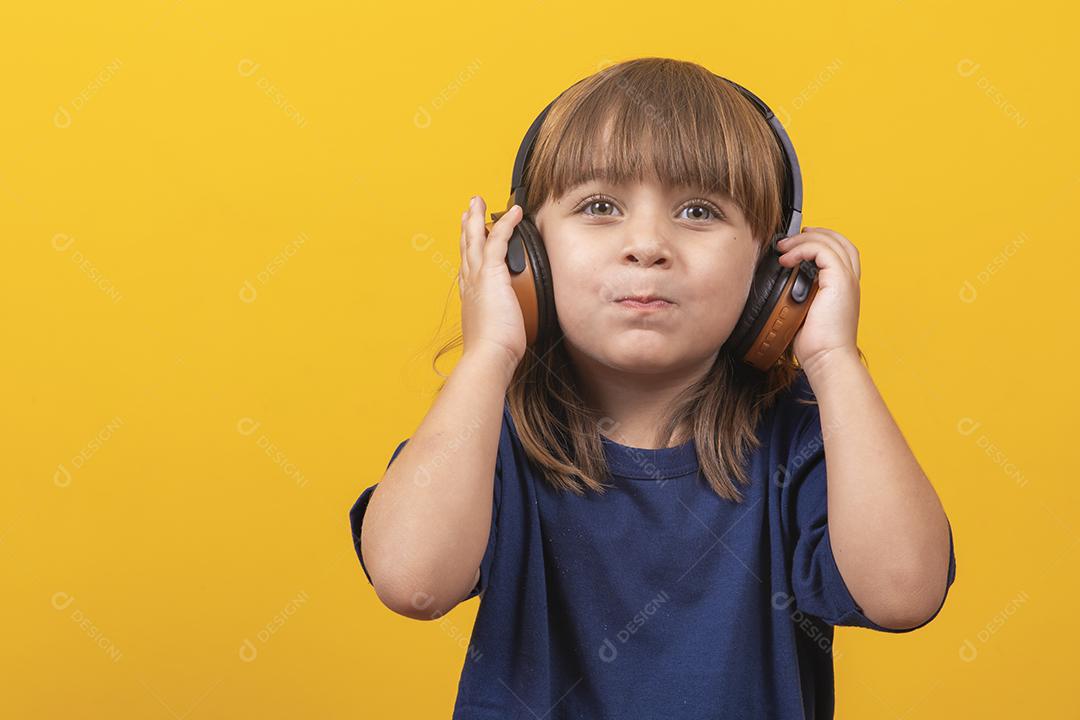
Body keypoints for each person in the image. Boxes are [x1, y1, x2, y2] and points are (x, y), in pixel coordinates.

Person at [348, 57, 957, 719]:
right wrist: (490, 351)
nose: (646, 245)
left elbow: (904, 593)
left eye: (698, 211)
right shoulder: (486, 436)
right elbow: (411, 581)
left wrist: (834, 358)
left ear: (771, 274)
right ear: (527, 257)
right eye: (599, 206)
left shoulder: (804, 437)